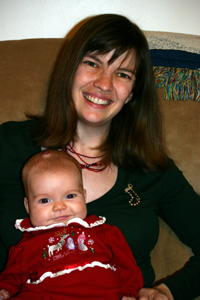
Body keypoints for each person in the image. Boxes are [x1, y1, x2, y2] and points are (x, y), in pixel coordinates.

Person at [0, 13, 200, 300]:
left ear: (131, 93)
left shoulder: (152, 168)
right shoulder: (9, 144)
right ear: (70, 70)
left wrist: (167, 291)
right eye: (93, 63)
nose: (104, 83)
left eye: (123, 74)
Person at [0, 150, 143, 299]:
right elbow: (12, 275)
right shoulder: (27, 246)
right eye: (45, 200)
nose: (59, 207)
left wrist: (130, 293)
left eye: (70, 196)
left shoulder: (103, 232)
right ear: (28, 206)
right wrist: (5, 290)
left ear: (84, 196)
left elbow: (128, 267)